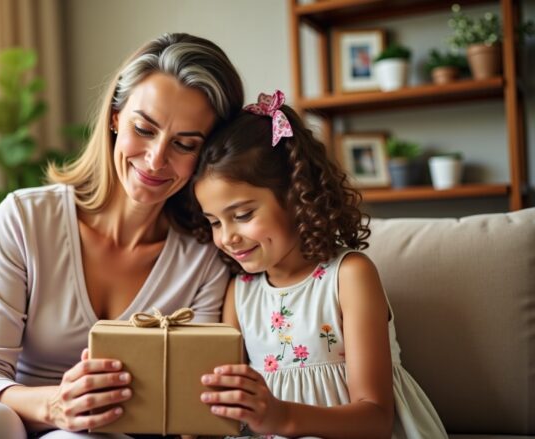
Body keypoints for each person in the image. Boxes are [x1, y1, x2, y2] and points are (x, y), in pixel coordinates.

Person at [0, 33, 244, 438]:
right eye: (144, 128)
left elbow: (185, 407)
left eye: (184, 144)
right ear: (115, 117)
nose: (156, 158)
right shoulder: (27, 217)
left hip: (86, 431)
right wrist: (56, 406)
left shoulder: (202, 259)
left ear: (207, 154)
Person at [191, 90, 447, 438]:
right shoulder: (240, 294)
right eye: (215, 222)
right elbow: (229, 406)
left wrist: (283, 417)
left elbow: (375, 419)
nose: (227, 237)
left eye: (242, 215)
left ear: (297, 196)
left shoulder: (349, 276)